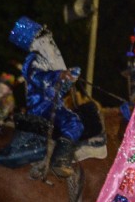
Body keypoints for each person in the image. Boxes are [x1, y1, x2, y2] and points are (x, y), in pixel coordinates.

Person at [9, 16, 84, 177]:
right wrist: (59, 75)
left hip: (53, 104)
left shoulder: (48, 60)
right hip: (41, 106)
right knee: (73, 122)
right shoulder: (32, 60)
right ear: (35, 41)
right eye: (43, 36)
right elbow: (38, 78)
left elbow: (58, 90)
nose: (49, 40)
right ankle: (60, 160)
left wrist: (69, 79)